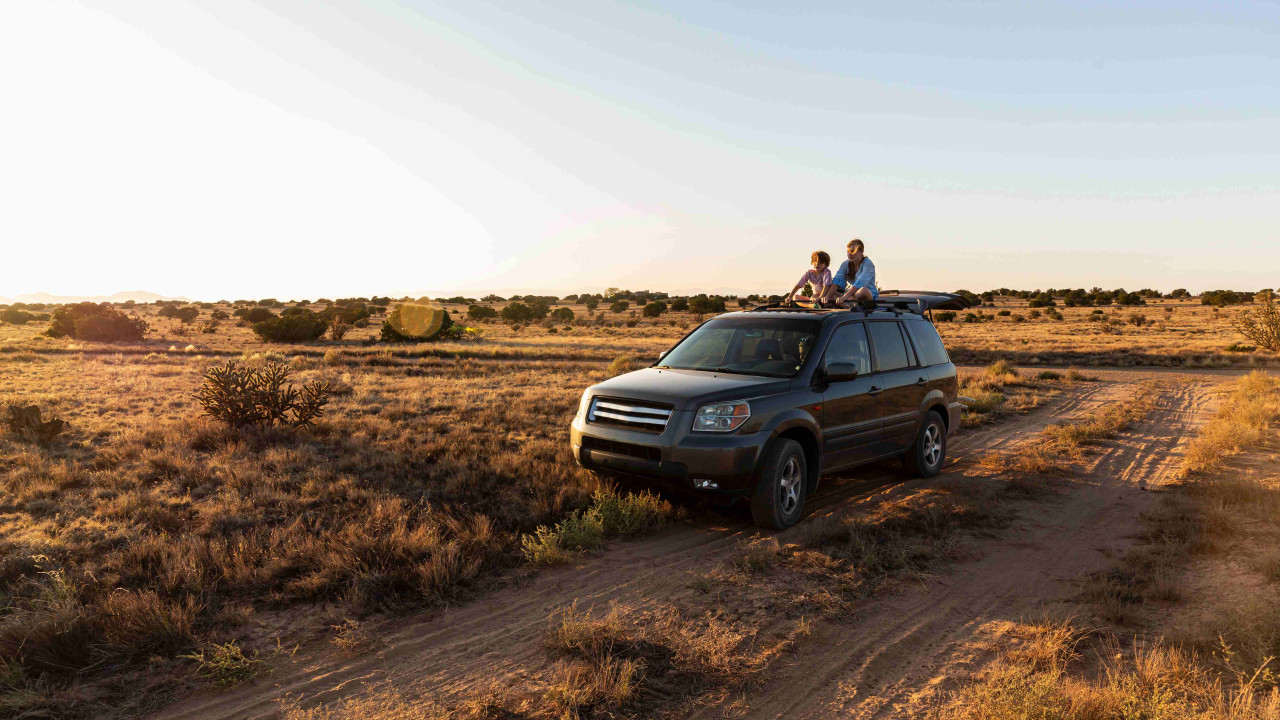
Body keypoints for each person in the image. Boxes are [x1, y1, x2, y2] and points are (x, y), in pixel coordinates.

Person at [824, 238, 877, 307]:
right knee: (830, 294)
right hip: (851, 294)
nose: (849, 254)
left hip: (867, 295)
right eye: (848, 251)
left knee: (863, 290)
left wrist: (845, 297)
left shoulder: (868, 264)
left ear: (861, 251)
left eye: (852, 251)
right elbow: (837, 280)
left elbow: (860, 282)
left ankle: (848, 303)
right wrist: (827, 296)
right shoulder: (845, 264)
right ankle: (847, 304)